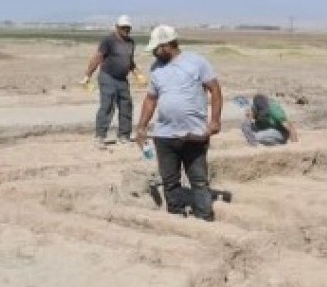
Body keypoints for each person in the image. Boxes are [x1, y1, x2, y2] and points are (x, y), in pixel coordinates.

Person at [134, 25, 223, 221]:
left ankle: (204, 218)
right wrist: (141, 127)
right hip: (164, 135)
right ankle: (176, 218)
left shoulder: (196, 62)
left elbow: (215, 90)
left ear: (166, 46)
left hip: (194, 134)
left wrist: (215, 121)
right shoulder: (156, 68)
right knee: (170, 181)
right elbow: (151, 99)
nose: (154, 53)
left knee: (198, 181)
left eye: (156, 49)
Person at [82, 14, 141, 146]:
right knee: (107, 105)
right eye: (123, 28)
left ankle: (124, 137)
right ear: (117, 27)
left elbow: (129, 60)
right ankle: (100, 137)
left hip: (122, 79)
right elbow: (97, 57)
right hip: (107, 76)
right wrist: (87, 75)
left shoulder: (131, 42)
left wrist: (137, 73)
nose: (125, 30)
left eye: (128, 28)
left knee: (126, 106)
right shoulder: (108, 40)